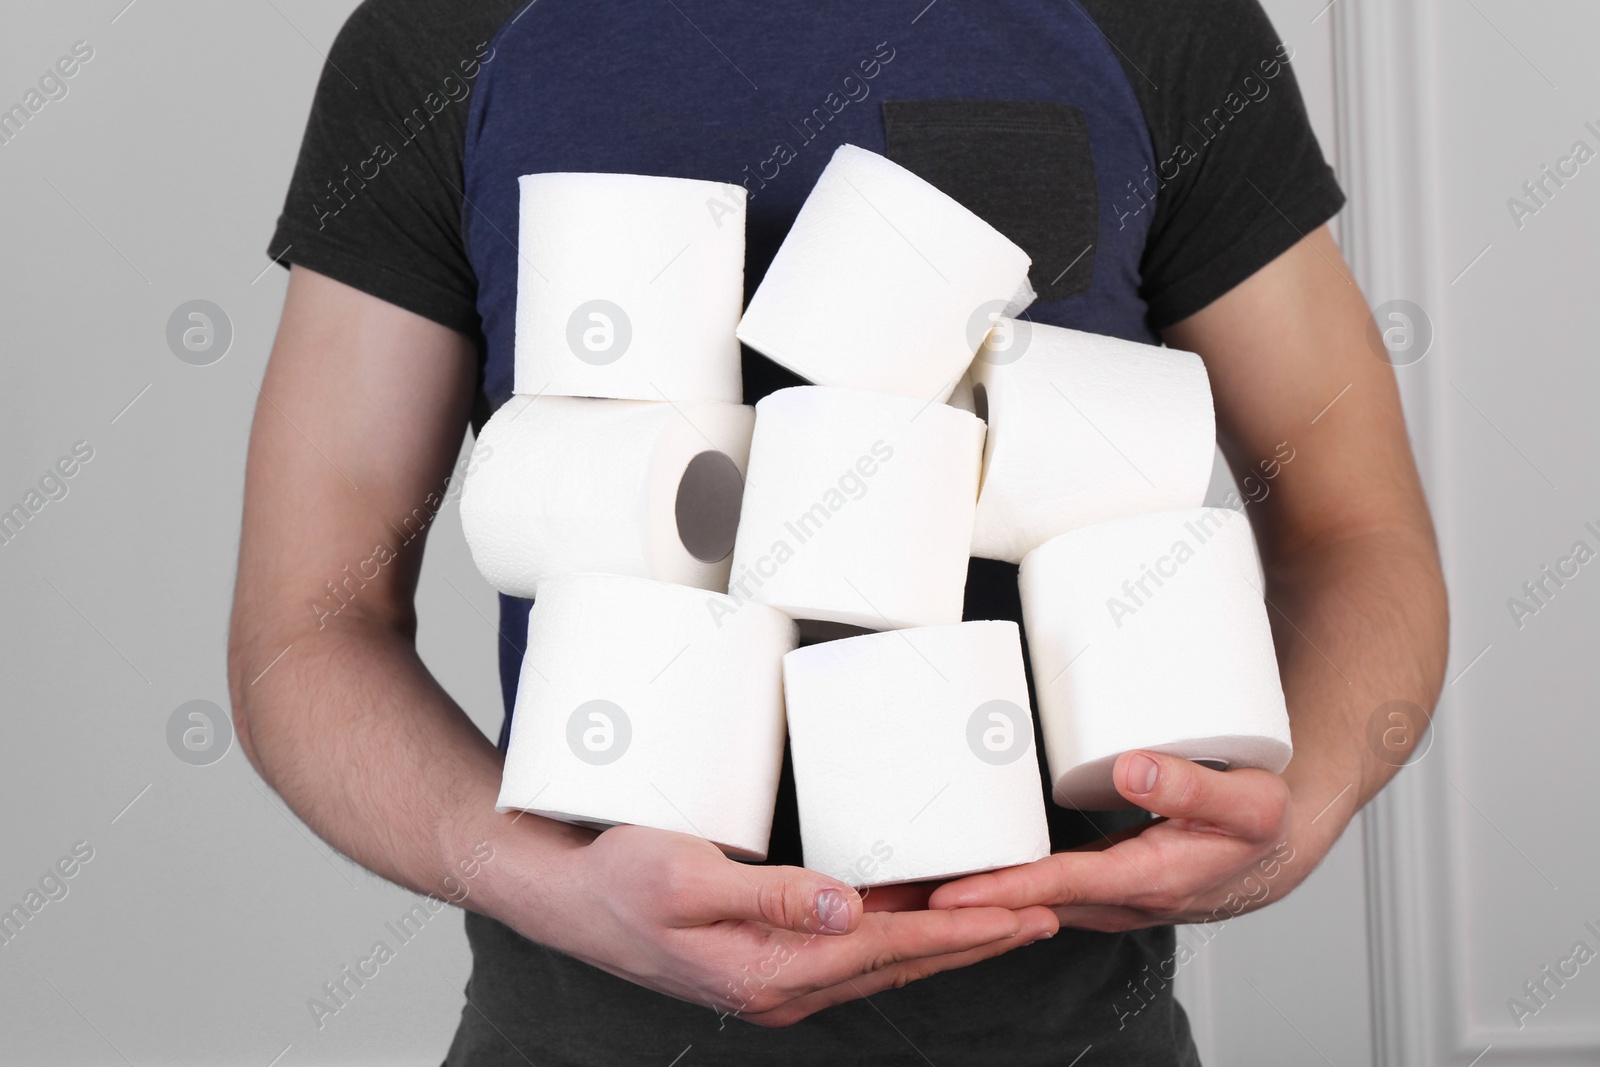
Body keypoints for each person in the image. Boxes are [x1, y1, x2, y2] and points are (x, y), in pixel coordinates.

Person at [228, 1, 1448, 1063]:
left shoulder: (1160, 24)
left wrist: (1303, 808)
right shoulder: (439, 37)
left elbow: (1357, 529)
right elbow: (306, 626)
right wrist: (541, 882)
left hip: (1064, 1032)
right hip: (579, 1034)